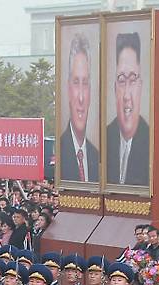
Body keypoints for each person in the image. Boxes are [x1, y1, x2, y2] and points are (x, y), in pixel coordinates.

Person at [106, 32, 150, 186]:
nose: (126, 96)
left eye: (132, 80)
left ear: (141, 86)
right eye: (121, 80)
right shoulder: (103, 140)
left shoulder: (153, 143)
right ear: (114, 88)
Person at [60, 33, 100, 183]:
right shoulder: (59, 150)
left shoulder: (98, 156)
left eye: (86, 83)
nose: (81, 98)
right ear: (68, 88)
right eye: (76, 82)